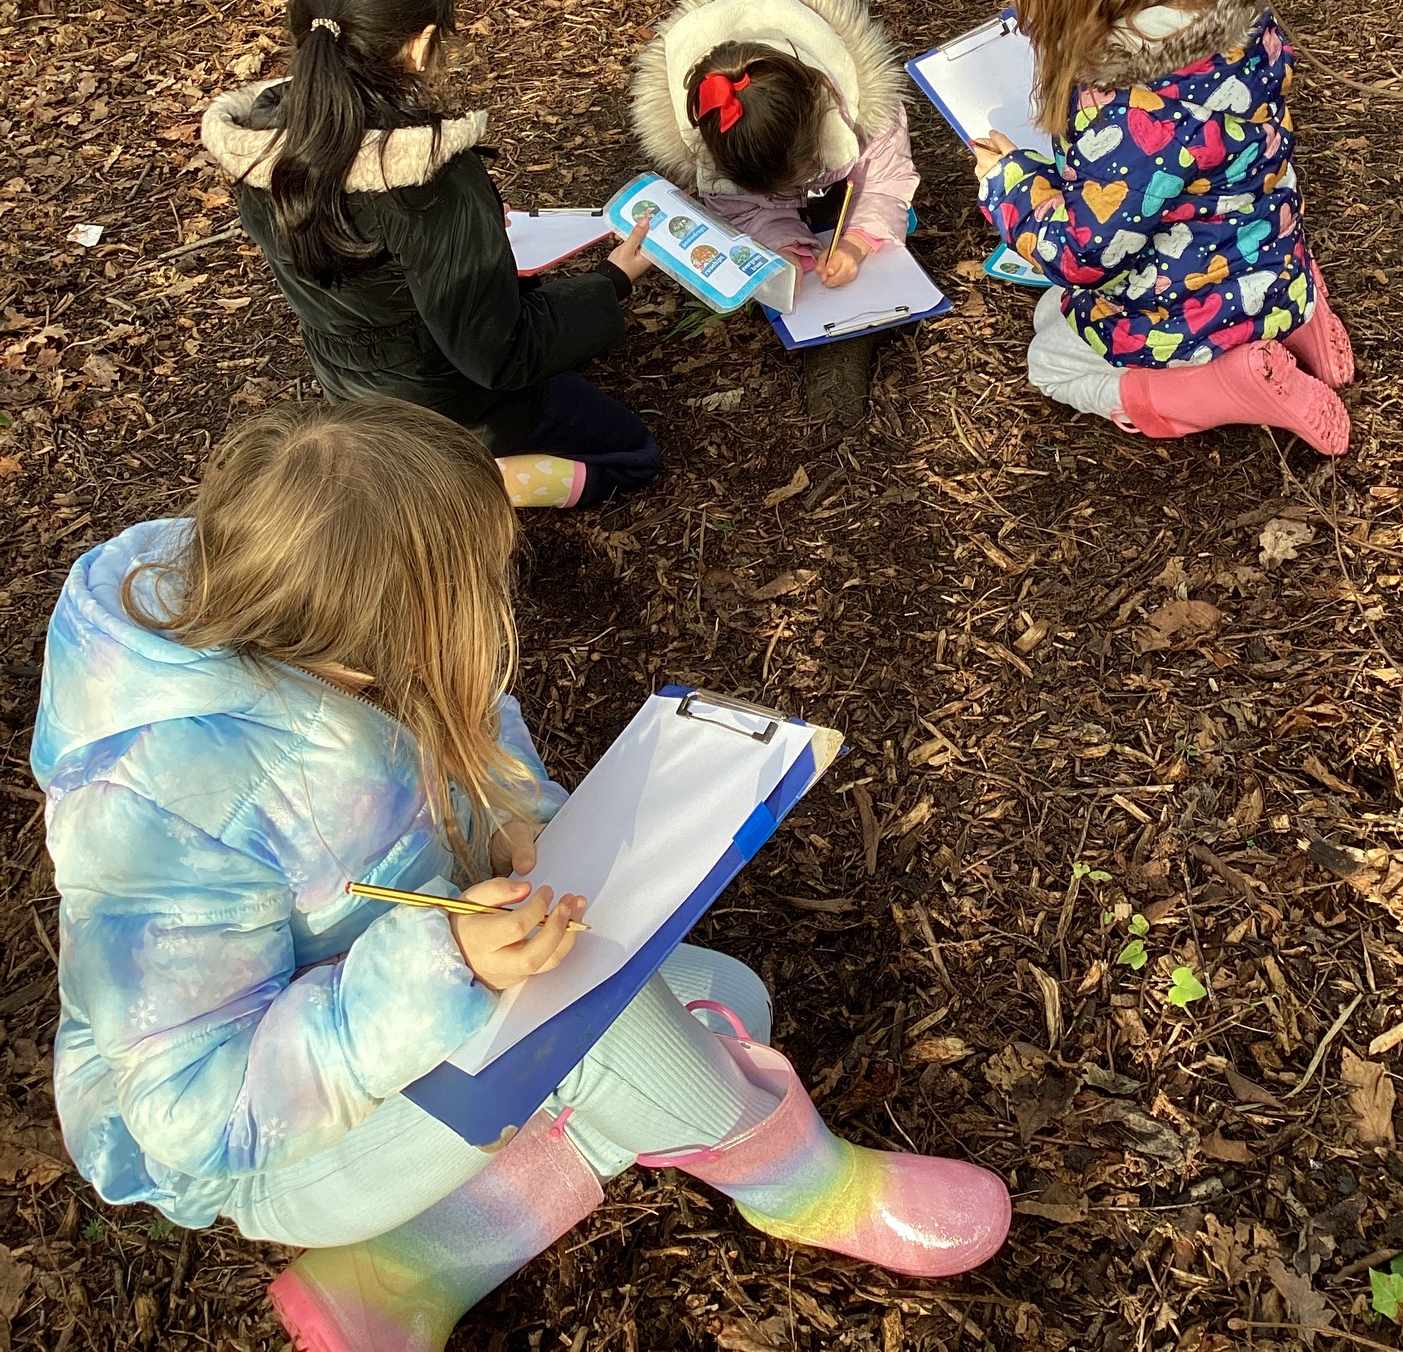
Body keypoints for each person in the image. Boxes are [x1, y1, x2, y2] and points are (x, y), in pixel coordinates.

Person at [34, 400, 1012, 1352]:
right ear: (388, 622)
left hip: (415, 1017)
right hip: (274, 1150)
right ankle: (802, 1187)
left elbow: (474, 724)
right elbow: (194, 1109)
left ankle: (406, 1271)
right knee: (599, 1021)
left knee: (728, 998)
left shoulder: (311, 607)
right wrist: (443, 964)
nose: (497, 609)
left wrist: (512, 815)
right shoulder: (167, 802)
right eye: (474, 592)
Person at [201, 0, 658, 508]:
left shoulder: (261, 140)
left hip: (353, 398)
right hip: (453, 410)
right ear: (419, 45)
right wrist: (612, 281)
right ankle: (464, 486)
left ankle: (423, 474)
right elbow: (498, 354)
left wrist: (473, 243)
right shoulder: (428, 180)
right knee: (632, 455)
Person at [970, 0, 1355, 451]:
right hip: (1273, 253)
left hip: (1191, 306)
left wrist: (1008, 183)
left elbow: (1085, 254)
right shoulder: (1237, 17)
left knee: (1050, 357)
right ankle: (1304, 317)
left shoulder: (1126, 112)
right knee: (1056, 310)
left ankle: (1228, 384)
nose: (1010, 0)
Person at [631, 0, 918, 290]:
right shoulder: (716, 141)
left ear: (821, 106)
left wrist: (857, 241)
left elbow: (887, 178)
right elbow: (743, 210)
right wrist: (783, 251)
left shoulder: (868, 104)